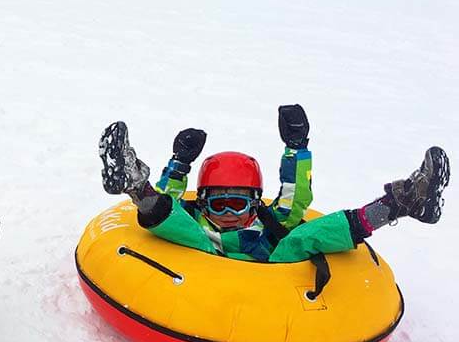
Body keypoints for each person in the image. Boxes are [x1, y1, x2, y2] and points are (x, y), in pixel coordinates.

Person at [99, 105, 450, 262]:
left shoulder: (267, 222)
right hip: (200, 263)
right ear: (203, 202)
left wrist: (297, 149)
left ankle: (402, 202)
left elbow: (294, 199)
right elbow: (172, 200)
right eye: (218, 204)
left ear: (254, 203)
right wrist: (180, 163)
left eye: (237, 204)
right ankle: (133, 182)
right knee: (185, 229)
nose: (228, 214)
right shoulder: (195, 223)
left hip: (274, 276)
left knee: (300, 237)